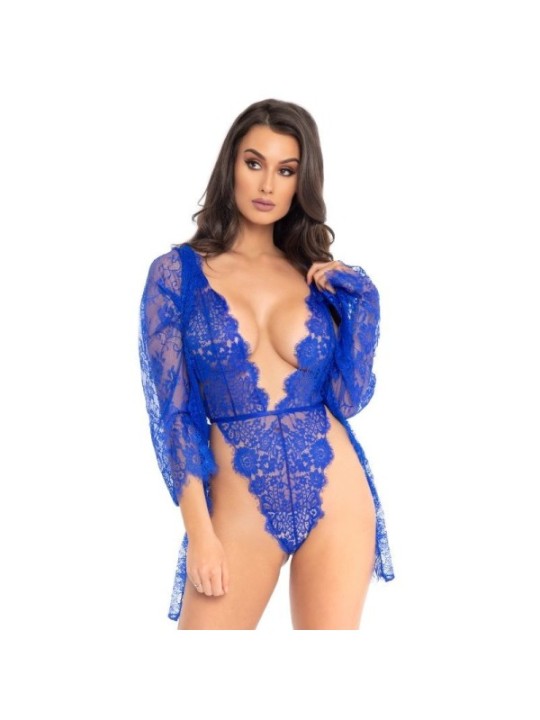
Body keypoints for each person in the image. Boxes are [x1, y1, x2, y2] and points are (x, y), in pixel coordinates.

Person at [138, 98, 395, 630]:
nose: (267, 184)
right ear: (230, 164)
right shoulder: (176, 274)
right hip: (239, 509)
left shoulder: (313, 274)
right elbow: (176, 417)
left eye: (286, 170)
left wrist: (362, 304)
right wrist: (200, 533)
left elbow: (346, 400)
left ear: (302, 181)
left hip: (338, 496)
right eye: (254, 163)